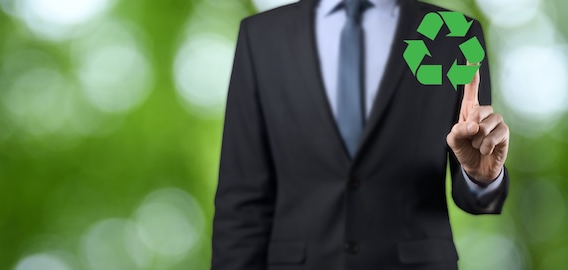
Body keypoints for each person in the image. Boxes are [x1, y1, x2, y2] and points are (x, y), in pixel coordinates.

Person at [212, 0, 510, 269]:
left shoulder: (457, 35)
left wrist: (481, 177)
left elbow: (477, 187)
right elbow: (242, 202)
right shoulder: (261, 36)